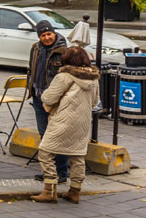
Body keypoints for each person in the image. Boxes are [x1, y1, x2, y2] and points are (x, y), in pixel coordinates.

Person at [31, 46, 99, 203]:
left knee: (45, 151)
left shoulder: (64, 76)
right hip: (83, 122)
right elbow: (95, 102)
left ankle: (50, 190)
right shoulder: (93, 78)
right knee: (77, 156)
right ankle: (75, 191)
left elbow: (48, 98)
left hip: (63, 120)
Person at [27, 19, 68, 183]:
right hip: (38, 97)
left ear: (54, 32)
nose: (47, 37)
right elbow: (31, 68)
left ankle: (62, 173)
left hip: (55, 101)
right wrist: (30, 85)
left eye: (49, 34)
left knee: (57, 136)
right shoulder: (35, 48)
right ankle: (49, 172)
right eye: (43, 35)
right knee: (44, 136)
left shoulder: (63, 50)